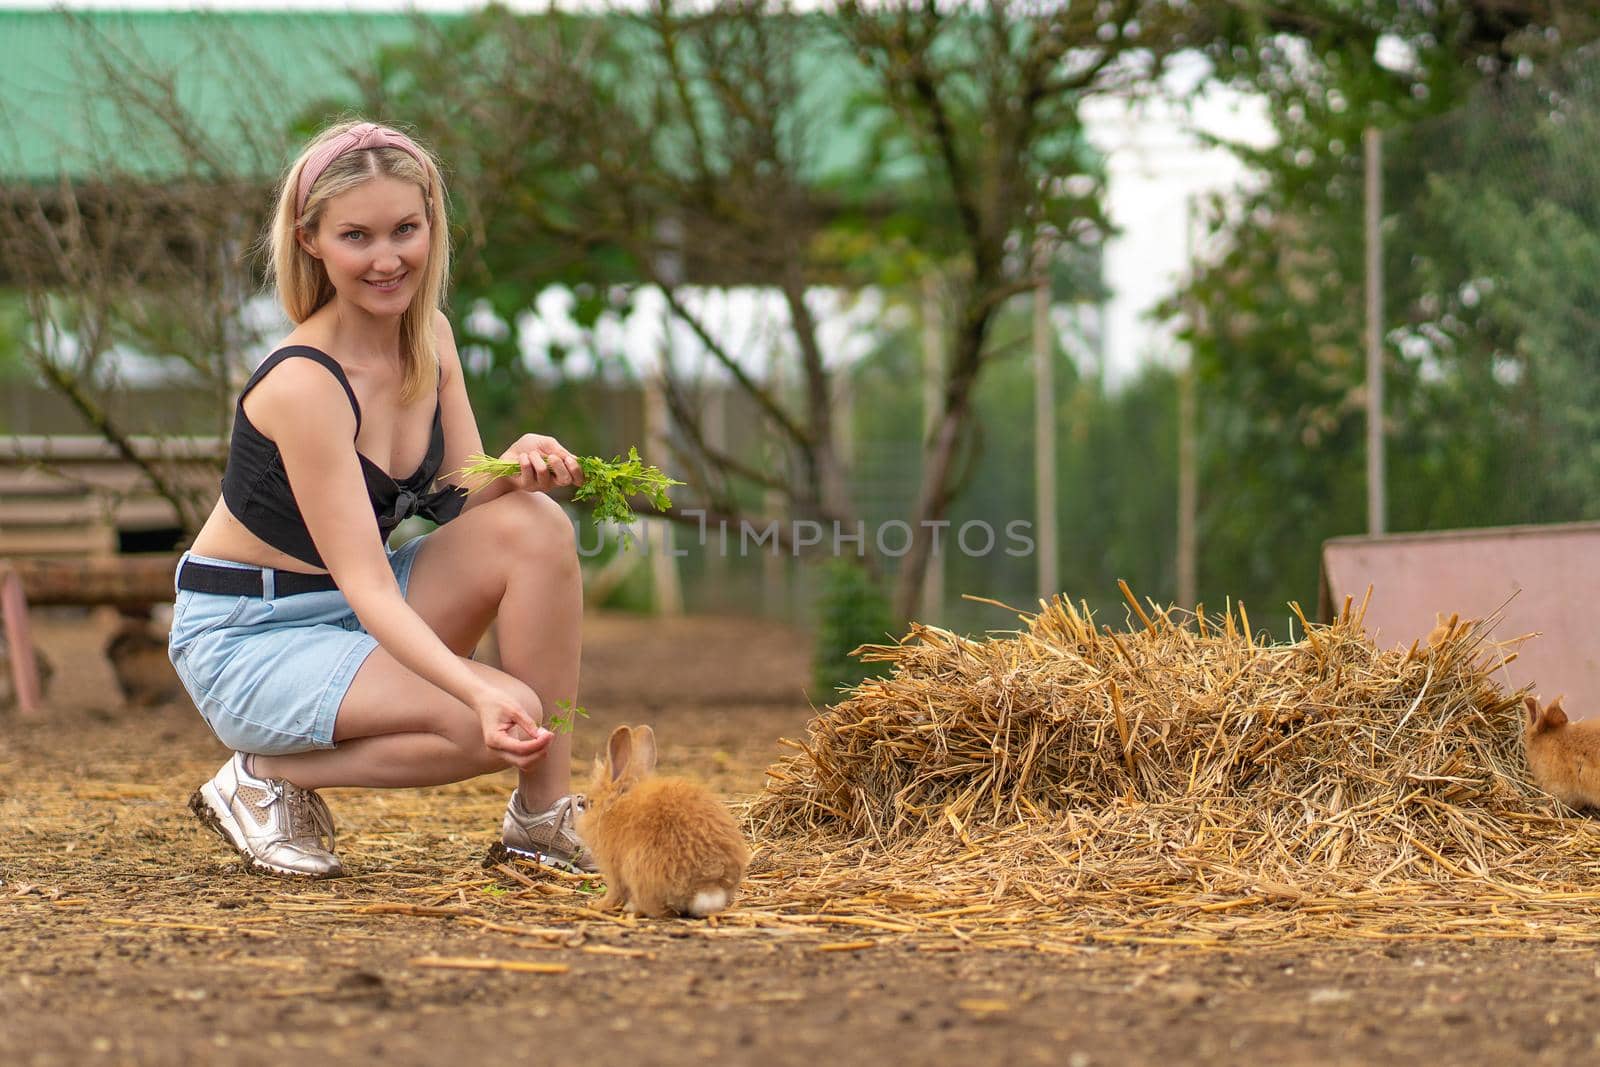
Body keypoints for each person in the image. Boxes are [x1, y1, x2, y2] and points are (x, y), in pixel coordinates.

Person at [169, 119, 593, 879]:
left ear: (433, 221)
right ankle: (263, 774)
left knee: (536, 526)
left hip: (349, 608)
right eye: (357, 236)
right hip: (252, 633)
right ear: (311, 240)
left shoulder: (429, 335)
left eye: (406, 229)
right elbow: (369, 585)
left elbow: (458, 491)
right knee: (495, 716)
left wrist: (520, 463)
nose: (387, 257)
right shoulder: (304, 382)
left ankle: (543, 819)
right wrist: (473, 686)